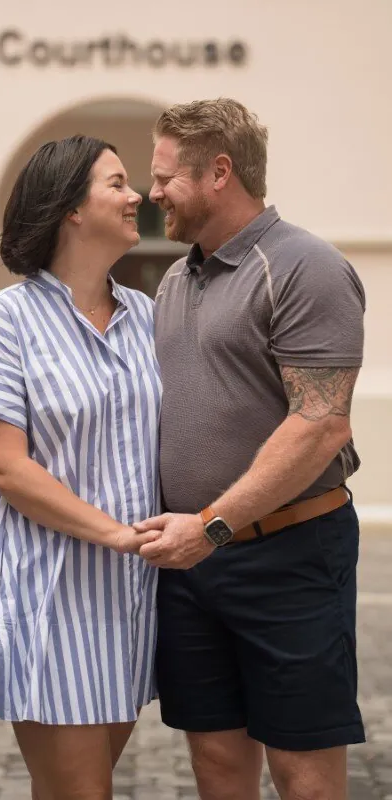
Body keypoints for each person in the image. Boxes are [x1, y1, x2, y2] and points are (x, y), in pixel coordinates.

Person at [0, 135, 163, 800]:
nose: (135, 195)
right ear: (70, 210)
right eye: (116, 183)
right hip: (44, 590)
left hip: (131, 595)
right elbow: (1, 466)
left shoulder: (147, 318)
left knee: (72, 789)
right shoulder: (4, 321)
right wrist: (116, 534)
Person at [134, 99, 366, 800]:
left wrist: (211, 526)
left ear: (218, 173)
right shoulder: (176, 279)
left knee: (304, 774)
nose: (151, 193)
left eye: (164, 175)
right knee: (215, 763)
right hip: (192, 562)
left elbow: (320, 423)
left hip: (287, 556)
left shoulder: (304, 266)